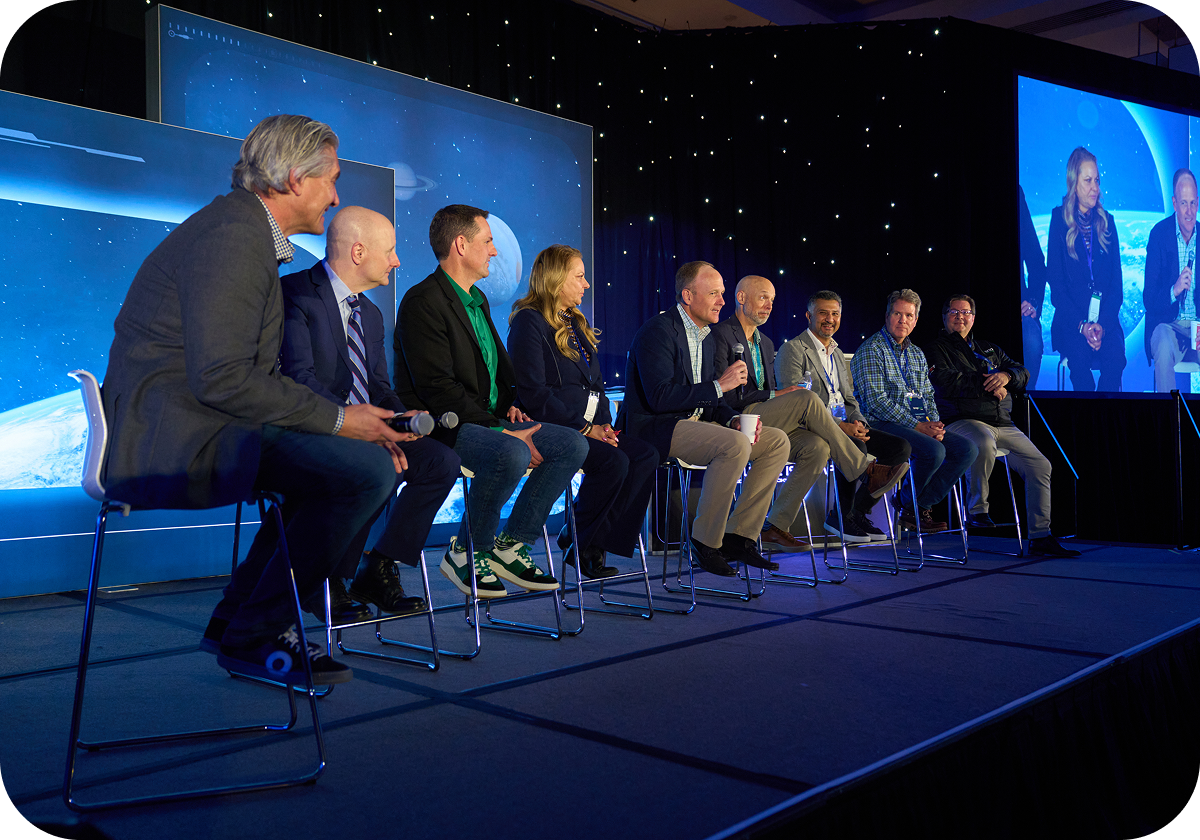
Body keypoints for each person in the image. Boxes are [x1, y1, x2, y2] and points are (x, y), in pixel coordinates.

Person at [102, 115, 405, 685]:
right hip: (181, 436)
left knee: (335, 467)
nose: (336, 196)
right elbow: (225, 379)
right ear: (295, 178)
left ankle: (237, 620)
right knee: (361, 471)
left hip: (198, 421)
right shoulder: (235, 237)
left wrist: (336, 424)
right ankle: (256, 632)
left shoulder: (240, 229)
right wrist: (341, 420)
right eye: (332, 179)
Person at [394, 204, 587, 598]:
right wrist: (501, 429)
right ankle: (468, 550)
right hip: (446, 425)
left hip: (485, 420)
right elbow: (439, 391)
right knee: (509, 453)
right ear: (461, 245)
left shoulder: (478, 300)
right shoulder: (422, 302)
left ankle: (511, 544)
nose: (495, 251)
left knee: (572, 444)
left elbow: (494, 375)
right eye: (488, 242)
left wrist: (508, 411)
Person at [280, 206, 460, 620]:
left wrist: (400, 419)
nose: (397, 261)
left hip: (368, 431)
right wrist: (359, 424)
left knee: (440, 460)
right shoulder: (295, 294)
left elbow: (379, 385)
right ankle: (325, 578)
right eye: (392, 250)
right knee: (375, 464)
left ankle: (378, 564)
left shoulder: (373, 315)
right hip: (314, 427)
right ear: (359, 253)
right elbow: (297, 378)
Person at [616, 261, 790, 576]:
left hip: (697, 425)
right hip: (658, 427)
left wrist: (732, 417)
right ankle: (704, 541)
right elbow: (659, 397)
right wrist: (719, 387)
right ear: (687, 296)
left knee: (777, 441)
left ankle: (740, 536)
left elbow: (713, 401)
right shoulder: (657, 331)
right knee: (735, 446)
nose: (722, 301)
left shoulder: (707, 337)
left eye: (722, 293)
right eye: (714, 293)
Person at [711, 277, 906, 548]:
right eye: (763, 298)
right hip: (737, 418)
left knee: (818, 448)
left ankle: (775, 525)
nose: (769, 305)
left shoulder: (764, 342)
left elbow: (848, 398)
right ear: (741, 298)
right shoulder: (720, 334)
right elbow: (725, 394)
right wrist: (776, 395)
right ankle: (864, 471)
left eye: (772, 300)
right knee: (804, 396)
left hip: (769, 419)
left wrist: (853, 420)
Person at [507, 244, 658, 578]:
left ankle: (587, 534)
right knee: (613, 462)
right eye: (579, 276)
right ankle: (587, 544)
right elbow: (534, 393)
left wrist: (603, 424)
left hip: (589, 426)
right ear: (557, 280)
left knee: (644, 455)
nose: (586, 284)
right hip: (553, 429)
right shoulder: (528, 322)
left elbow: (597, 386)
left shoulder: (575, 322)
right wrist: (583, 427)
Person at [926, 295, 1081, 557]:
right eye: (954, 311)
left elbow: (1022, 372)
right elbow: (944, 382)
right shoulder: (935, 349)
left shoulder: (989, 348)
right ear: (944, 317)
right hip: (962, 421)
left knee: (1041, 465)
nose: (960, 316)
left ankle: (1041, 536)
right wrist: (989, 385)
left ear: (973, 318)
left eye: (966, 312)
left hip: (1003, 423)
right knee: (983, 442)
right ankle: (977, 510)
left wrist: (1005, 376)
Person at [775, 290, 912, 543]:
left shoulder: (837, 352)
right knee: (855, 443)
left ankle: (856, 513)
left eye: (835, 314)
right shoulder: (793, 350)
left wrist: (857, 420)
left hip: (846, 424)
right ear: (808, 316)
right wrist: (840, 426)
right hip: (811, 427)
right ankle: (841, 515)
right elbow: (792, 405)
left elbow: (849, 399)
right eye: (823, 313)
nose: (830, 319)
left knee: (899, 447)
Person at [850, 289, 978, 533]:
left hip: (917, 423)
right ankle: (910, 506)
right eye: (897, 314)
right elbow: (876, 402)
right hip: (880, 423)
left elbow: (927, 395)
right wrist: (917, 426)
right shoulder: (871, 350)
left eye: (909, 316)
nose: (903, 320)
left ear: (916, 320)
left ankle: (914, 505)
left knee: (966, 449)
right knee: (933, 451)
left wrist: (934, 424)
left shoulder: (917, 353)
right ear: (887, 316)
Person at [1047, 146, 1126, 392]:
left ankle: (1107, 423)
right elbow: (1057, 288)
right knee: (1079, 365)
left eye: (1098, 180)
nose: (1095, 188)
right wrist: (1083, 326)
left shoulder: (1108, 222)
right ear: (1074, 183)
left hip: (1106, 322)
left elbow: (1117, 287)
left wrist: (1101, 325)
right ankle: (1087, 425)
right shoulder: (1059, 221)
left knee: (1115, 361)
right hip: (1072, 322)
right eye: (1088, 180)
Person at [1143, 169, 1199, 392]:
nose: (1189, 211)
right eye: (1184, 203)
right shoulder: (1159, 235)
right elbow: (1148, 299)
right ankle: (1167, 423)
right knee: (1163, 344)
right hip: (1168, 325)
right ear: (1174, 203)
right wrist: (1174, 290)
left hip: (1198, 327)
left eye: (1193, 203)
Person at [1019, 185, 1048, 389]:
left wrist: (1033, 303)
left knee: (1031, 340)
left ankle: (1024, 407)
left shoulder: (1015, 192)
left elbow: (1037, 261)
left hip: (1018, 308)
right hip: (968, 310)